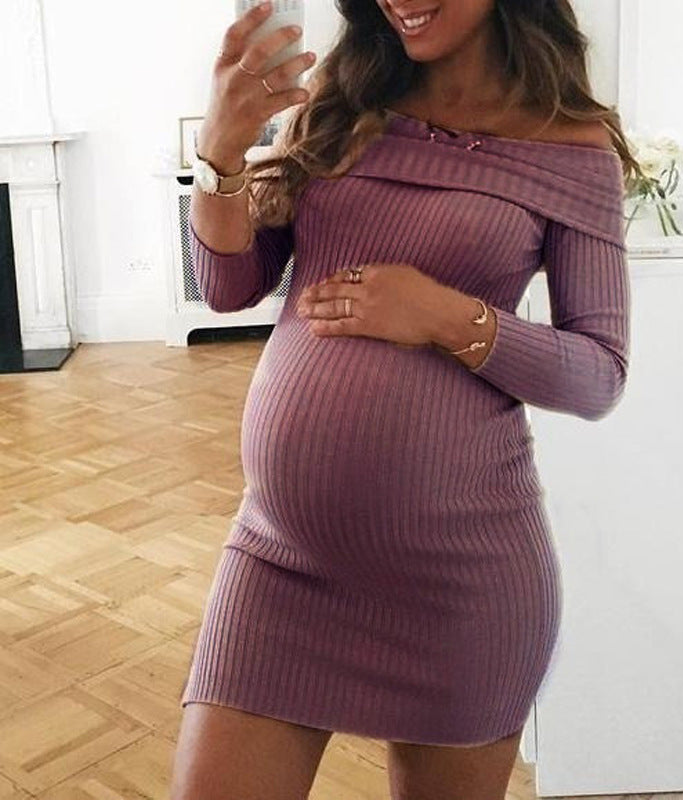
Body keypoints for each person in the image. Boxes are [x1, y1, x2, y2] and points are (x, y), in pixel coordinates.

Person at [171, 1, 636, 798]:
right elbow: (228, 286)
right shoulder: (340, 106)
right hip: (280, 557)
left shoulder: (570, 146)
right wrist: (220, 151)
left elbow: (599, 374)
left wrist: (445, 316)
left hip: (461, 583)